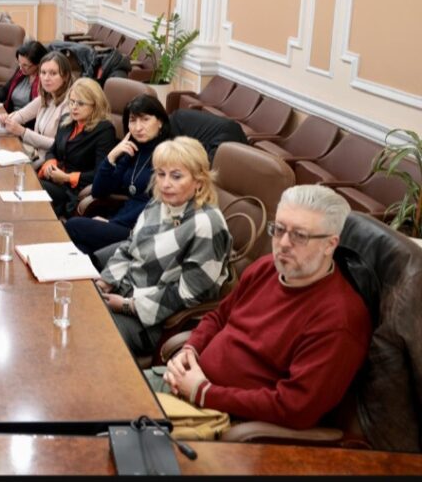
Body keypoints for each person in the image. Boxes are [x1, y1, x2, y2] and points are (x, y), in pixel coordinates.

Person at [159, 185, 371, 431]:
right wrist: (191, 349)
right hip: (189, 383)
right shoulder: (265, 267)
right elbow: (219, 317)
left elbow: (295, 407)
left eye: (299, 235)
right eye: (278, 229)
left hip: (226, 417)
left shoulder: (339, 320)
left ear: (329, 244)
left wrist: (204, 392)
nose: (283, 244)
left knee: (123, 422)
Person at [96, 137, 232, 357]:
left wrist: (127, 305)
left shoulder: (207, 224)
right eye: (161, 174)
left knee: (89, 332)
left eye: (176, 176)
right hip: (124, 291)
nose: (165, 183)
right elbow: (130, 245)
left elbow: (188, 294)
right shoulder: (160, 202)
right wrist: (105, 282)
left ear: (199, 181)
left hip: (153, 321)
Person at [64, 94, 172, 258]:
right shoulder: (132, 150)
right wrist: (111, 157)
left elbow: (156, 204)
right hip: (120, 222)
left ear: (160, 122)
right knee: (81, 250)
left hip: (139, 231)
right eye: (133, 120)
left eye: (145, 119)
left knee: (73, 226)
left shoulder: (168, 155)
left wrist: (112, 223)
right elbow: (99, 191)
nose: (138, 127)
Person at [37, 78, 116, 219]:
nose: (73, 107)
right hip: (54, 179)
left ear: (95, 104)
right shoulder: (66, 121)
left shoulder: (104, 130)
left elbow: (100, 173)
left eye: (80, 103)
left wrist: (67, 178)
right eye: (71, 102)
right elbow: (52, 150)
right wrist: (50, 163)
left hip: (74, 190)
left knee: (34, 188)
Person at [0, 51, 73, 168]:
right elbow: (22, 115)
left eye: (53, 73)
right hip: (35, 158)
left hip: (51, 166)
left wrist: (23, 132)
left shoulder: (70, 105)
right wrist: (7, 120)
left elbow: (58, 145)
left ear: (65, 76)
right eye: (43, 72)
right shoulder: (46, 97)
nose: (46, 78)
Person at [0, 40, 47, 114]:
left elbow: (36, 112)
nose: (21, 68)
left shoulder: (44, 81)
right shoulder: (21, 72)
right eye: (19, 63)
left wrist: (14, 118)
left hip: (24, 119)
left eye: (25, 65)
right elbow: (6, 89)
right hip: (8, 114)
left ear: (38, 64)